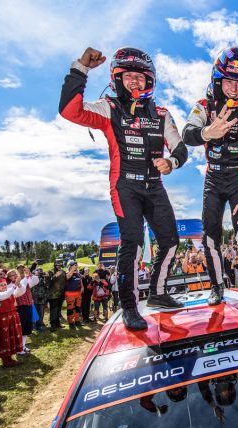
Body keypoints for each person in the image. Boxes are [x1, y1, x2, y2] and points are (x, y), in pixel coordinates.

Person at [60, 47, 189, 331]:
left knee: (170, 241)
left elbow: (180, 149)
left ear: (149, 81)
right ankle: (129, 306)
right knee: (132, 244)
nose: (134, 81)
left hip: (154, 187)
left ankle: (157, 293)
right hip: (125, 186)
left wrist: (172, 162)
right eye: (128, 76)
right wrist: (81, 69)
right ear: (117, 78)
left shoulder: (162, 113)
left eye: (140, 77)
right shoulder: (109, 107)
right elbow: (70, 111)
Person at [182, 46, 238, 325]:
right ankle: (217, 285)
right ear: (217, 80)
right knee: (210, 236)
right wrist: (207, 132)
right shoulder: (204, 106)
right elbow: (187, 134)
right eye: (228, 80)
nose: (233, 87)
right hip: (212, 178)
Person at [0, 278, 23, 367]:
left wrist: (19, 284)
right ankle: (5, 360)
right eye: (1, 285)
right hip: (2, 319)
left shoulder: (10, 292)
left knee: (11, 336)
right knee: (4, 337)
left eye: (5, 284)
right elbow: (4, 295)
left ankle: (9, 357)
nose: (4, 286)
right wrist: (14, 285)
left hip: (11, 317)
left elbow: (20, 292)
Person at [14, 265, 38, 353]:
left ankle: (23, 346)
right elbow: (16, 293)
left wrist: (29, 274)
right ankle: (18, 348)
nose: (21, 271)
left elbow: (35, 281)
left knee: (27, 328)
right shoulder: (13, 282)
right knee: (21, 328)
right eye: (20, 269)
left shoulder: (26, 280)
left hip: (29, 305)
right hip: (20, 307)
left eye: (23, 269)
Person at [47, 262, 66, 332]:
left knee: (58, 310)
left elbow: (65, 281)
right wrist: (55, 276)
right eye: (57, 265)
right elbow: (48, 283)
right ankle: (52, 325)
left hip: (61, 294)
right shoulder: (50, 272)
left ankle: (57, 323)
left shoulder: (63, 272)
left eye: (60, 265)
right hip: (53, 295)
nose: (59, 266)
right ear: (55, 265)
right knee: (53, 310)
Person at [64, 260, 83, 329]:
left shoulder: (78, 274)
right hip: (70, 294)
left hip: (78, 293)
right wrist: (72, 270)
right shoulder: (68, 273)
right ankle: (70, 322)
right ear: (70, 266)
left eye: (76, 265)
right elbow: (67, 277)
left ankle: (77, 321)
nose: (76, 266)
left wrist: (82, 287)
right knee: (70, 308)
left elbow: (80, 281)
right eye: (74, 265)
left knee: (78, 308)